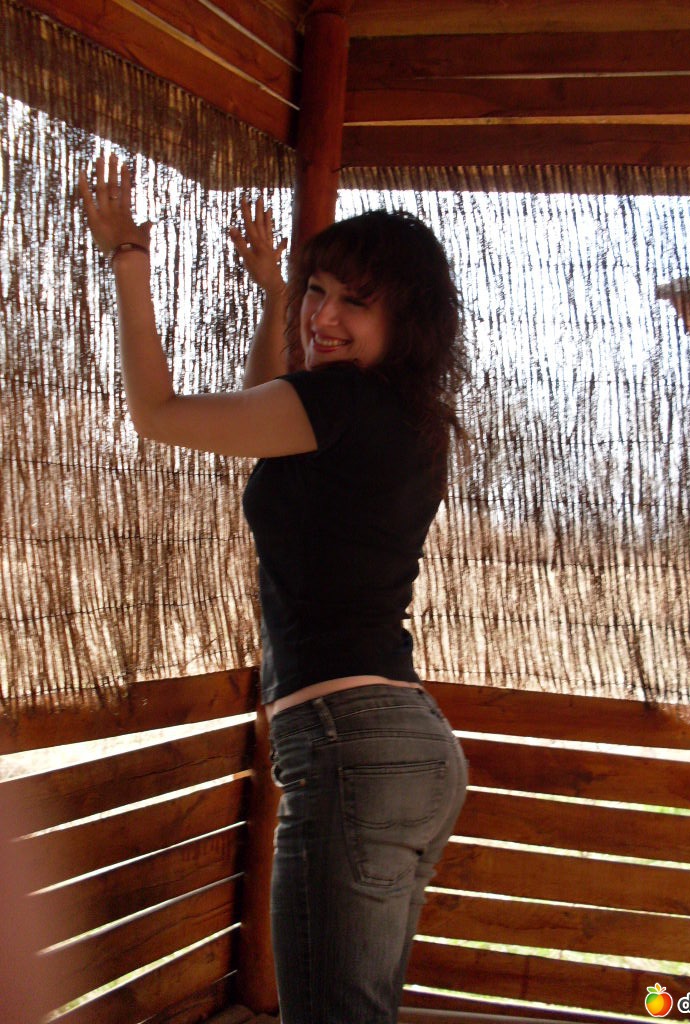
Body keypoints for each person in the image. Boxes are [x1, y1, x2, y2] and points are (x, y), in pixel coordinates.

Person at [79, 152, 469, 1024]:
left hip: (348, 746)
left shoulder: (341, 407)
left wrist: (128, 259)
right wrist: (270, 297)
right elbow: (273, 406)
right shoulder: (401, 417)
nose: (323, 316)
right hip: (407, 749)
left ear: (405, 321)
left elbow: (158, 413)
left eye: (353, 303)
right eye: (315, 292)